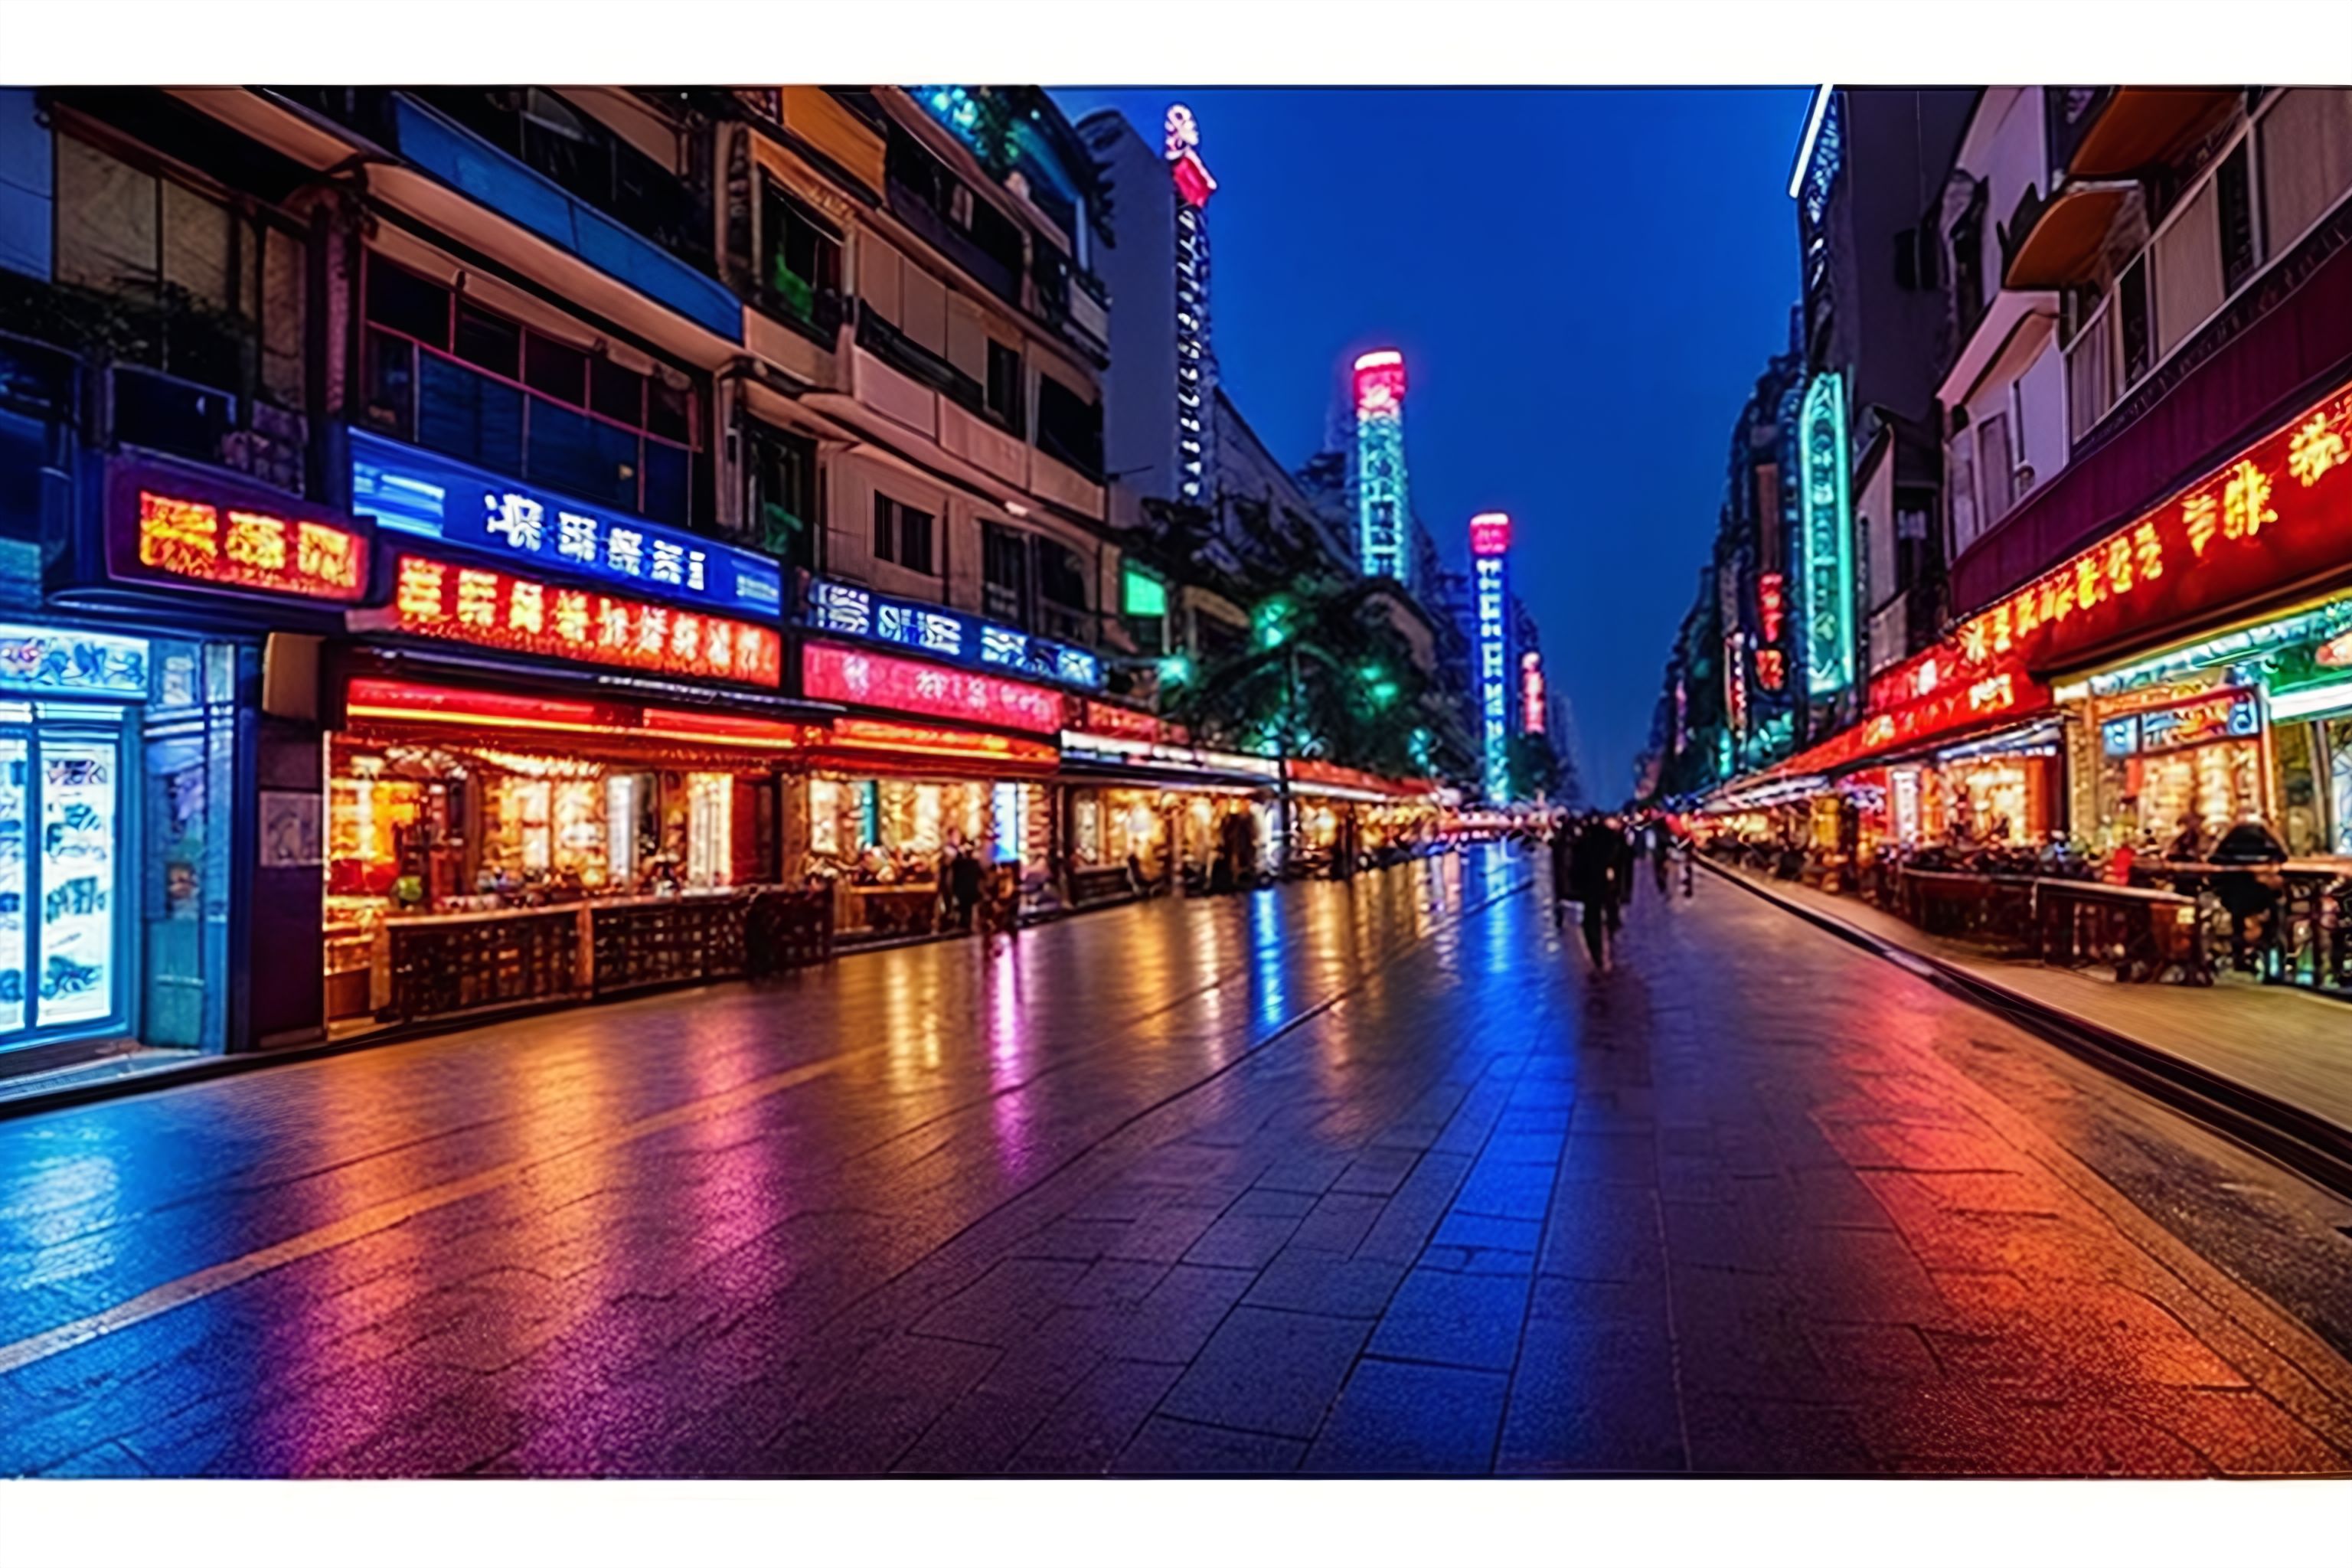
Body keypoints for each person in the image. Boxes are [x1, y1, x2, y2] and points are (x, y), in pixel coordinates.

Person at [2210, 810, 2289, 978]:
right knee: (2273, 919)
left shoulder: (2231, 838)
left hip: (2236, 893)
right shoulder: (2265, 836)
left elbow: (2214, 861)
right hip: (2261, 893)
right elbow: (2282, 855)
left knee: (2239, 918)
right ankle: (2270, 957)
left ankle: (2240, 956)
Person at [1567, 814, 1628, 972]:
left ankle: (1597, 953)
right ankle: (1603, 945)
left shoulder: (1583, 839)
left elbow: (1574, 864)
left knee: (1591, 916)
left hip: (1590, 885)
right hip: (1603, 883)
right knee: (1604, 909)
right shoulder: (1611, 839)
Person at [949, 844, 984, 933]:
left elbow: (952, 878)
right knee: (967, 909)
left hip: (961, 891)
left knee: (963, 908)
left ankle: (963, 924)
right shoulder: (974, 863)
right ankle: (966, 925)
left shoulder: (957, 864)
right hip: (970, 891)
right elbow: (982, 876)